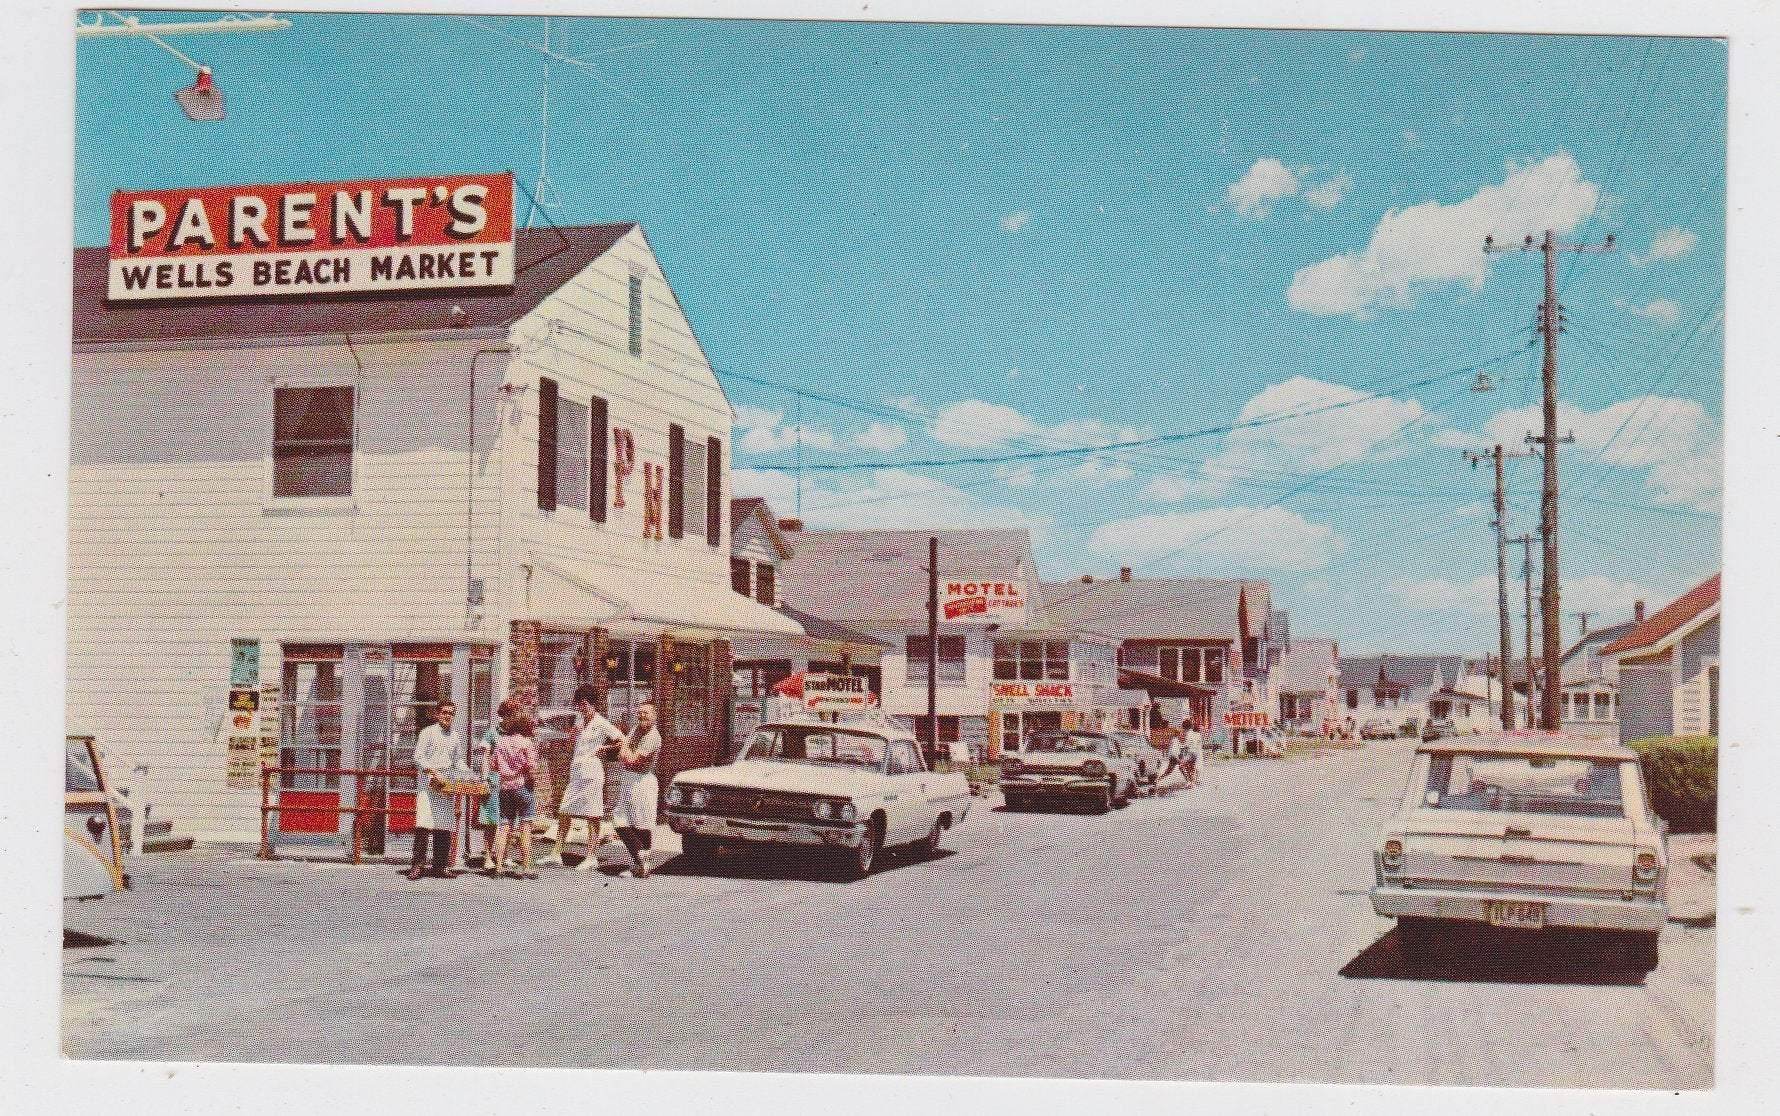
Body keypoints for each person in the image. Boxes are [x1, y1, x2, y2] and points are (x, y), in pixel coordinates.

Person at [538, 684, 623, 871]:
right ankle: (556, 854)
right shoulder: (579, 721)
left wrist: (604, 749)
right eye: (579, 704)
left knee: (592, 815)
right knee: (564, 811)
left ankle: (591, 856)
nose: (581, 707)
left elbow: (621, 739)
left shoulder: (602, 723)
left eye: (584, 704)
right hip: (576, 772)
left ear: (592, 703)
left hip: (592, 773)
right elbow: (572, 742)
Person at [405, 701, 463, 880]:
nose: (448, 716)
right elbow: (418, 757)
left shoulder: (455, 736)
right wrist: (431, 771)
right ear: (437, 714)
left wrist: (469, 774)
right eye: (445, 712)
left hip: (446, 785)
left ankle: (440, 866)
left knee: (444, 827)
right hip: (428, 784)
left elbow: (457, 761)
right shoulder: (427, 732)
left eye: (451, 713)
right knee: (423, 825)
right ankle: (417, 866)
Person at [486, 704, 540, 880]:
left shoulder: (501, 743)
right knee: (525, 827)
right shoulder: (527, 743)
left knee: (504, 827)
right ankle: (526, 867)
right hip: (523, 786)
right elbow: (531, 769)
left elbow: (493, 766)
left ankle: (499, 867)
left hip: (504, 788)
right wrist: (532, 782)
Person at [612, 702, 662, 879]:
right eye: (640, 713)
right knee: (619, 819)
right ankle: (641, 858)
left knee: (642, 823)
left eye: (646, 713)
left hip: (643, 781)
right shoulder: (635, 730)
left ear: (654, 716)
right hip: (628, 779)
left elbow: (632, 759)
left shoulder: (653, 737)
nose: (642, 716)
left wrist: (625, 746)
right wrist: (626, 749)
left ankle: (641, 866)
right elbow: (621, 757)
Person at [1184, 718, 1204, 788]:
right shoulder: (1197, 734)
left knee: (1186, 767)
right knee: (1193, 767)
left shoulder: (1185, 734)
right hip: (1196, 752)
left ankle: (1190, 781)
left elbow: (1185, 746)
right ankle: (1193, 781)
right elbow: (1199, 745)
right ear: (1192, 726)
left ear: (1184, 727)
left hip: (1189, 752)